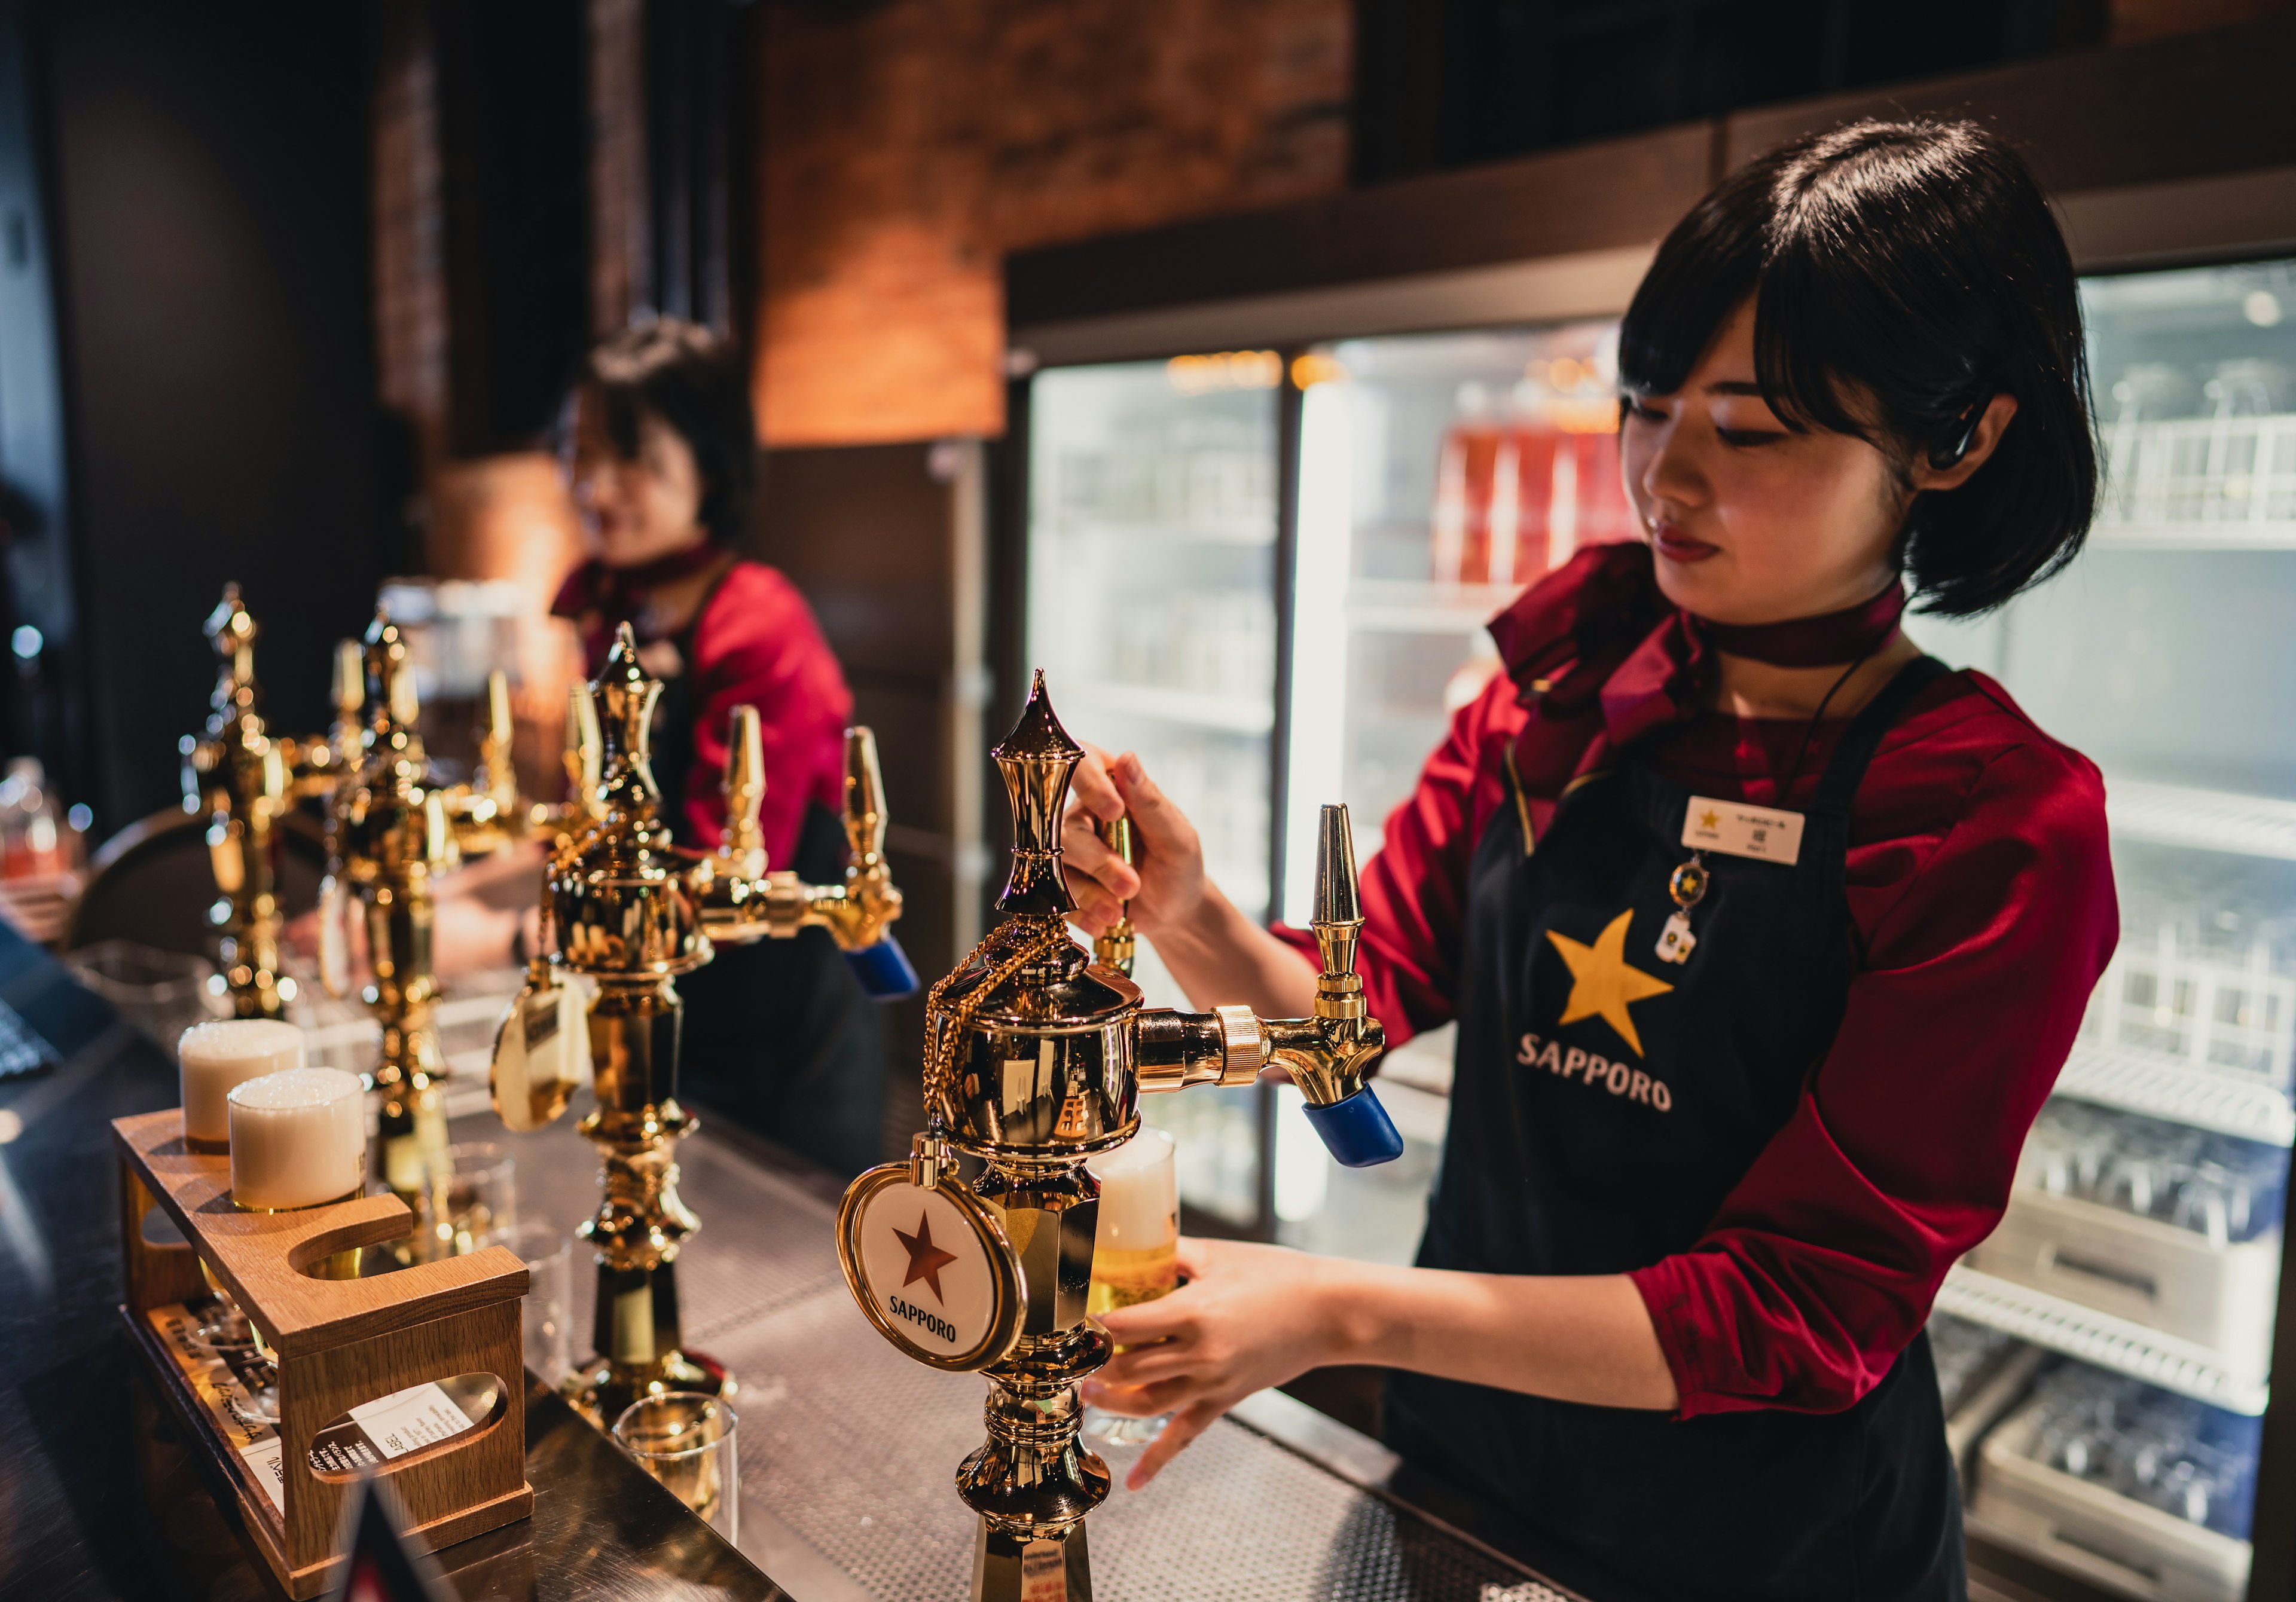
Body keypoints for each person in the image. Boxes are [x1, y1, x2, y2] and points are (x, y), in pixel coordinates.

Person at [1060, 121, 2117, 1600]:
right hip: (1465, 1466)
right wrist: (1187, 909)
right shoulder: (1567, 679)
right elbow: (1357, 1012)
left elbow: (1798, 1305)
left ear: (1957, 437)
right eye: (1646, 404)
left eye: (1749, 428)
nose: (1663, 475)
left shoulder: (1991, 819)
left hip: (1757, 1544)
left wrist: (1339, 1310)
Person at [446, 320, 886, 1175]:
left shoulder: (760, 624)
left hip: (779, 1016)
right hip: (666, 1002)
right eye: (577, 453)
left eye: (631, 457)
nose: (593, 486)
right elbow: (604, 823)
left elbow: (715, 866)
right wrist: (444, 889)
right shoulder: (620, 610)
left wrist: (496, 942)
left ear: (710, 463)